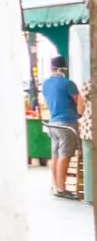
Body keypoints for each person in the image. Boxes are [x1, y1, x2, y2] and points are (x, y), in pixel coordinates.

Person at [43, 58, 81, 198]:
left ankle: (55, 186)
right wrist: (80, 115)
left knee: (56, 155)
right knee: (65, 156)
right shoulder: (68, 83)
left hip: (53, 123)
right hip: (66, 123)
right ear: (63, 69)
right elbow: (80, 103)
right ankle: (61, 189)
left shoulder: (46, 84)